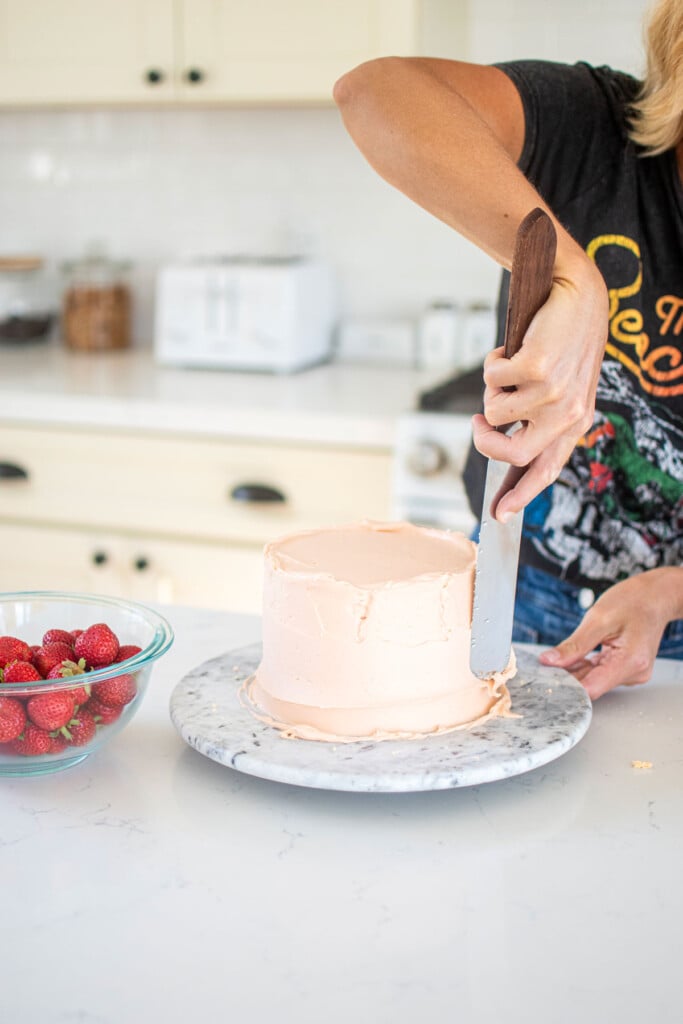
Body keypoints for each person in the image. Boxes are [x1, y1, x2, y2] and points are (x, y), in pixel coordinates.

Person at [333, 0, 683, 699]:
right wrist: (570, 274)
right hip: (516, 574)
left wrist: (667, 593)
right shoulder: (593, 126)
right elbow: (374, 91)